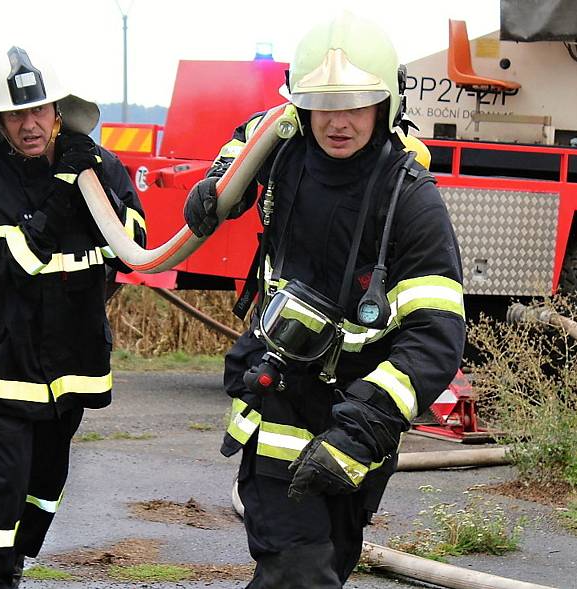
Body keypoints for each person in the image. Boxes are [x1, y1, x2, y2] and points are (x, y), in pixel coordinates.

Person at [184, 11, 465, 588]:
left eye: (356, 103)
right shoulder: (283, 152)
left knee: (329, 564)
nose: (338, 121)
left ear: (386, 105)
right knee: (299, 573)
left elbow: (436, 335)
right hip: (278, 400)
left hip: (359, 420)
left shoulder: (410, 203)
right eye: (323, 103)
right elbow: (243, 149)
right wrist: (212, 189)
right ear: (302, 105)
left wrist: (361, 429)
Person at [0, 46, 146, 589]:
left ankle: (13, 562)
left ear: (59, 112)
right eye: (16, 115)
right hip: (2, 365)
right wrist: (63, 190)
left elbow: (135, 242)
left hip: (70, 362)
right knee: (4, 479)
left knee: (46, 480)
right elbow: (6, 265)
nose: (30, 123)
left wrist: (92, 185)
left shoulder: (99, 167)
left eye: (39, 110)